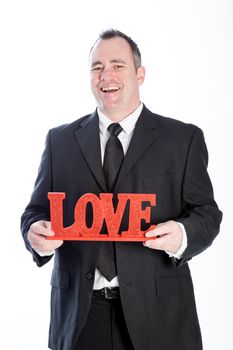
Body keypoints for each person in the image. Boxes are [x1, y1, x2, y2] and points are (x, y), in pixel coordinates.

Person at [21, 29, 222, 350]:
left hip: (158, 314)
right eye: (97, 67)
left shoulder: (182, 139)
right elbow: (35, 211)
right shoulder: (59, 141)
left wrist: (182, 234)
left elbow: (207, 215)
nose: (106, 75)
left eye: (118, 65)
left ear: (139, 74)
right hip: (79, 316)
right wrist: (36, 233)